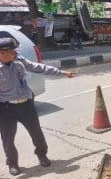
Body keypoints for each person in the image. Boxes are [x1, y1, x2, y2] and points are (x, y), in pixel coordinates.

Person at [0, 37, 75, 176]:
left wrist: (62, 73)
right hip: (6, 108)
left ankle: (42, 155)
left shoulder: (19, 61)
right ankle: (12, 163)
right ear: (2, 53)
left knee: (37, 133)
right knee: (8, 139)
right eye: (12, 52)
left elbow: (39, 67)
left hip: (26, 105)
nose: (15, 54)